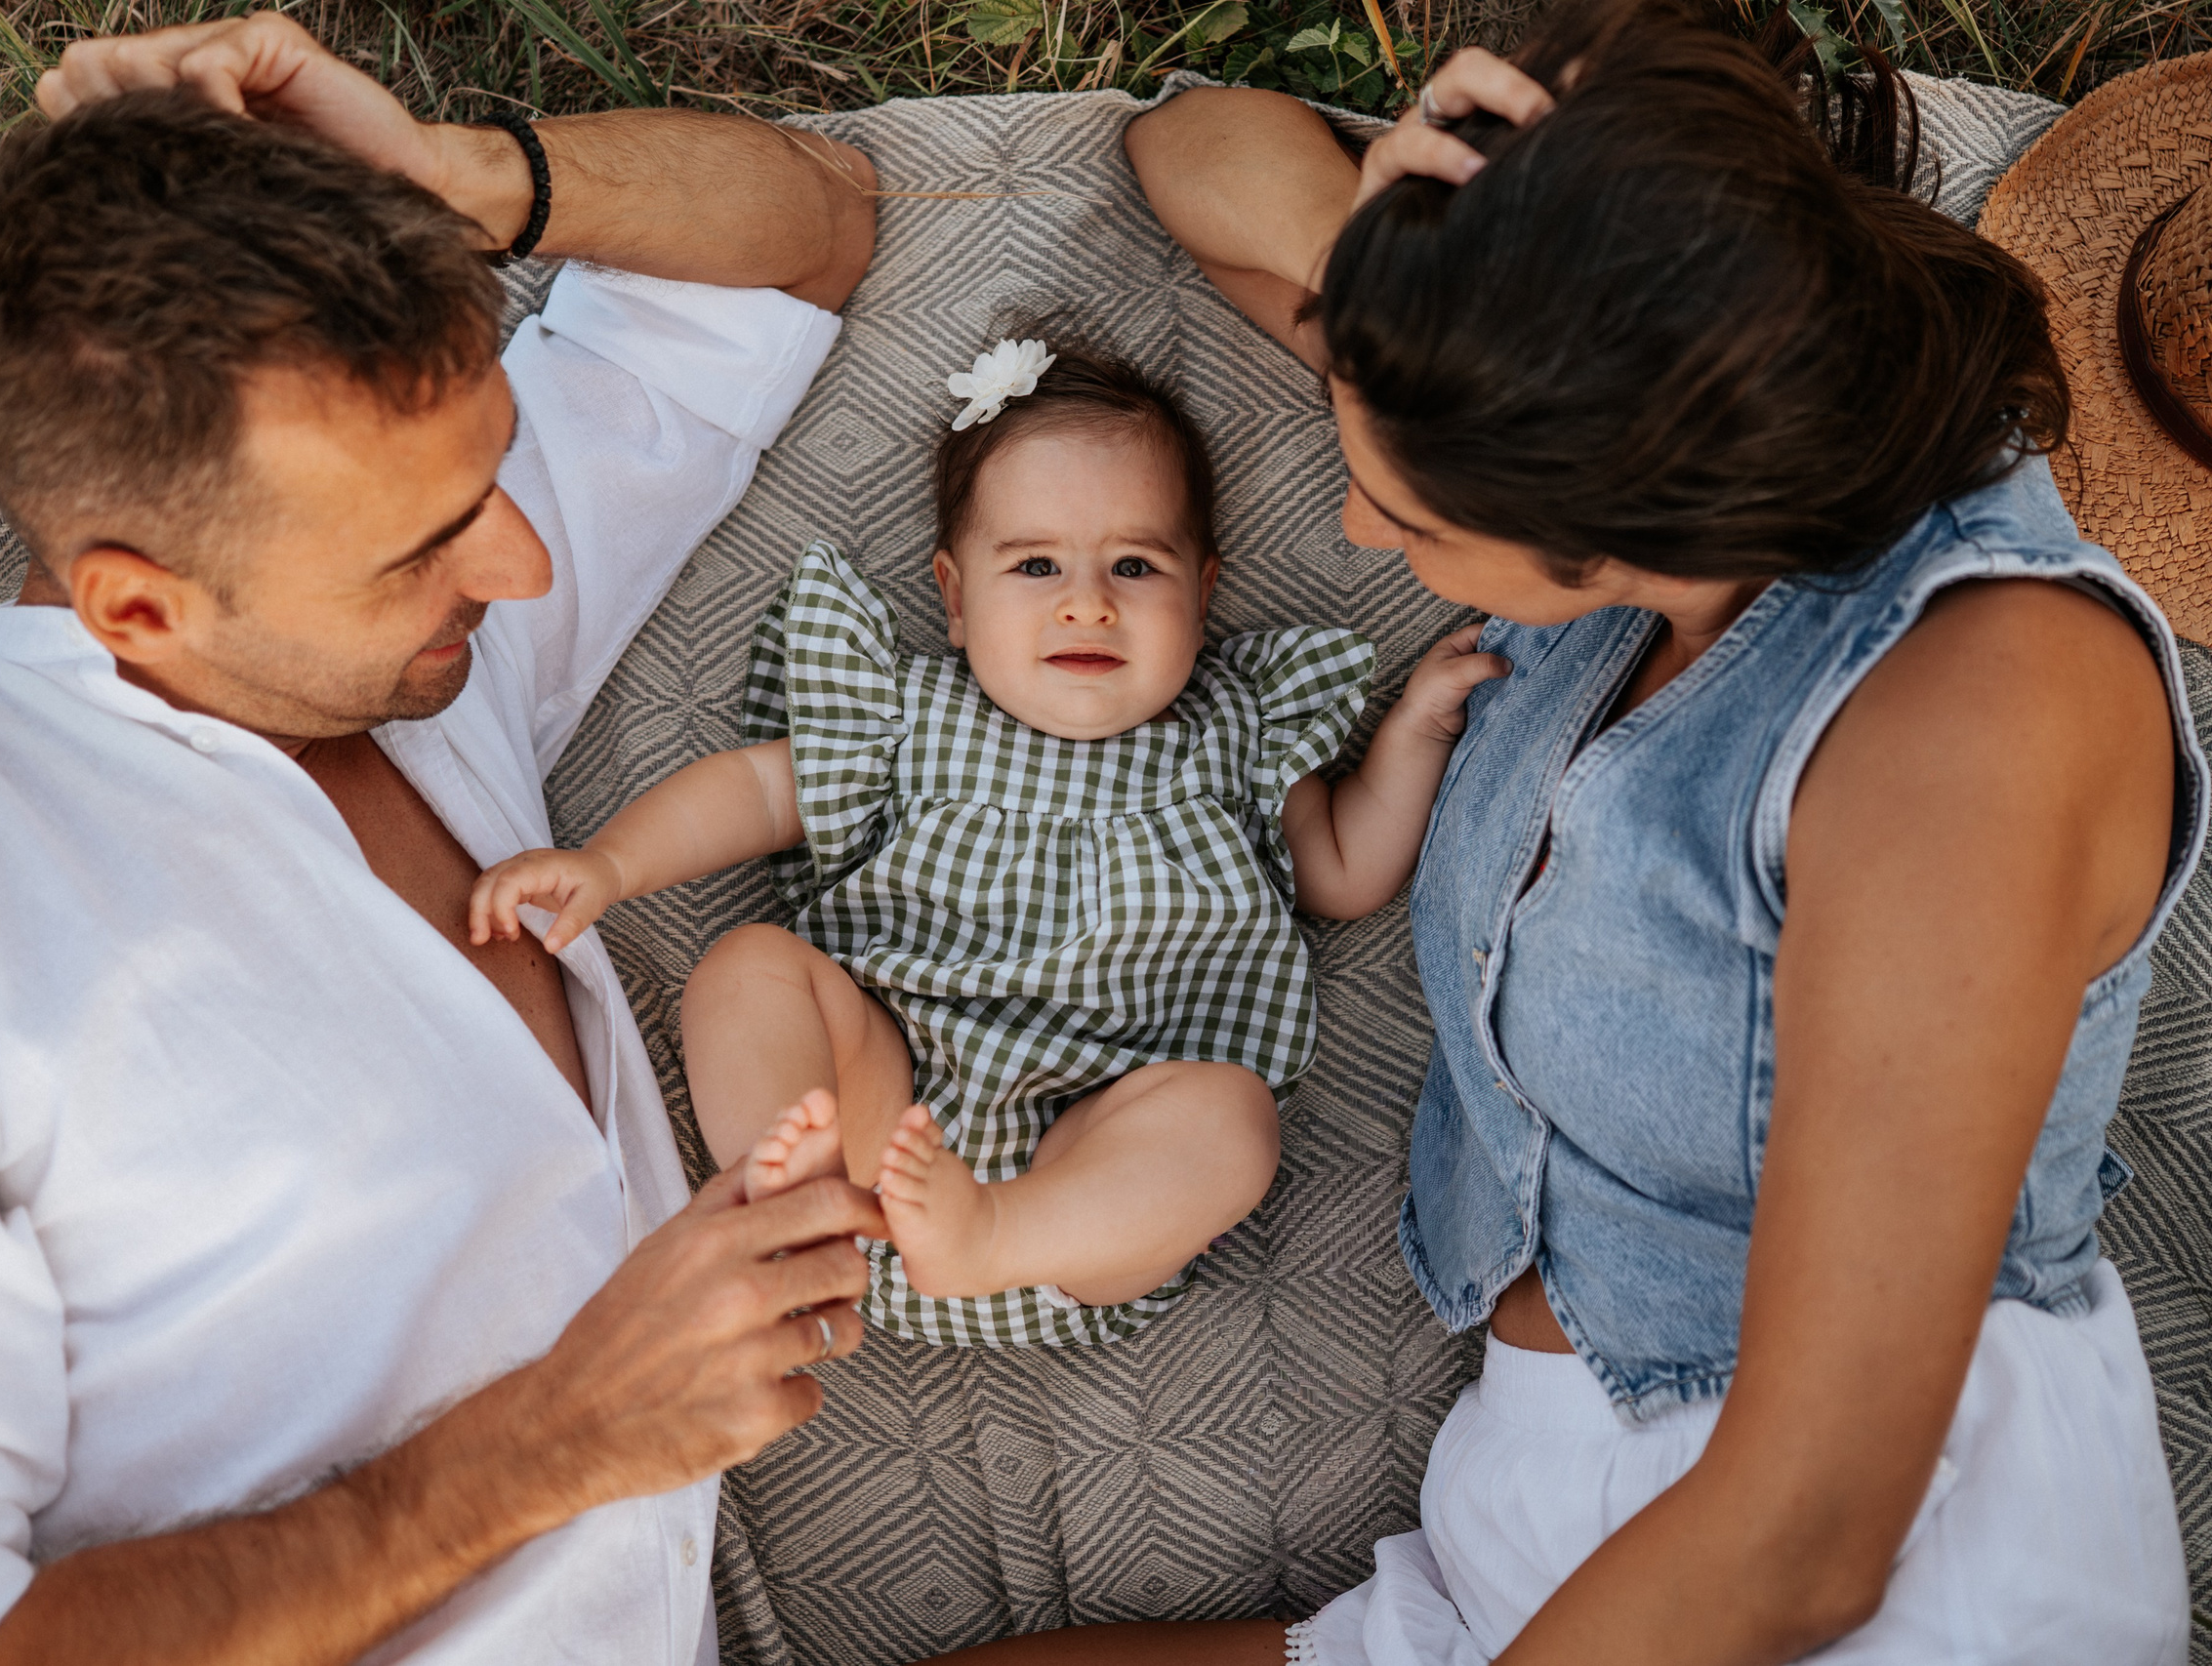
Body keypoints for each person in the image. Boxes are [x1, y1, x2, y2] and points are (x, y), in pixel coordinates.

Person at [934, 0, 2207, 1660]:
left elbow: (1811, 1529)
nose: (1354, 524)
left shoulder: (1977, 706)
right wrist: (1411, 253)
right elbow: (1191, 148)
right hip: (1535, 1510)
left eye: (1409, 516)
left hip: (1862, 1575)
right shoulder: (1616, 388)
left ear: (1612, 518)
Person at [0, 15, 885, 1665]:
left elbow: (813, 224)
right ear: (140, 604)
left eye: (495, 471)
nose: (524, 565)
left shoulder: (397, 643)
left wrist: (457, 177)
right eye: (429, 544)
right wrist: (557, 1437)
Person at [464, 344, 1504, 1348]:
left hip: (1100, 1175)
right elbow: (753, 790)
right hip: (887, 1113)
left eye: (1135, 565)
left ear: (1202, 594)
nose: (1087, 600)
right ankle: (788, 1209)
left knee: (1231, 1118)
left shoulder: (1240, 729)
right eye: (1036, 564)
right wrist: (612, 865)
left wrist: (1414, 734)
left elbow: (1342, 870)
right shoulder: (904, 719)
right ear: (956, 600)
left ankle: (994, 1231)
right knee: (746, 969)